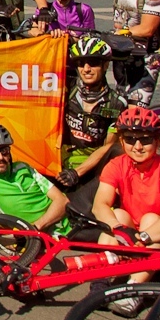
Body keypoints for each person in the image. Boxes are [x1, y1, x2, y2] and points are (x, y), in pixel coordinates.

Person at [91, 105, 160, 305]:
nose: (137, 146)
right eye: (130, 139)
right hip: (131, 229)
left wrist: (144, 237)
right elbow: (99, 204)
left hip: (159, 234)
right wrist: (119, 229)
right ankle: (100, 283)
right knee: (116, 215)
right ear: (121, 141)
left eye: (145, 140)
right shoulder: (116, 164)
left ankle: (134, 288)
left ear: (158, 141)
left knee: (150, 218)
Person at [58, 34, 127, 217]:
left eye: (93, 63)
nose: (86, 69)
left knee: (119, 149)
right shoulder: (65, 90)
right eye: (81, 64)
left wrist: (77, 172)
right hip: (60, 163)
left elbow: (108, 148)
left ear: (105, 66)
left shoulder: (116, 103)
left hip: (91, 168)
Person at [0, 123, 69, 231]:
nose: (0, 157)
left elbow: (61, 200)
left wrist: (35, 228)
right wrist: (15, 241)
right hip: (44, 240)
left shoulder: (23, 168)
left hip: (70, 221)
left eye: (4, 151)